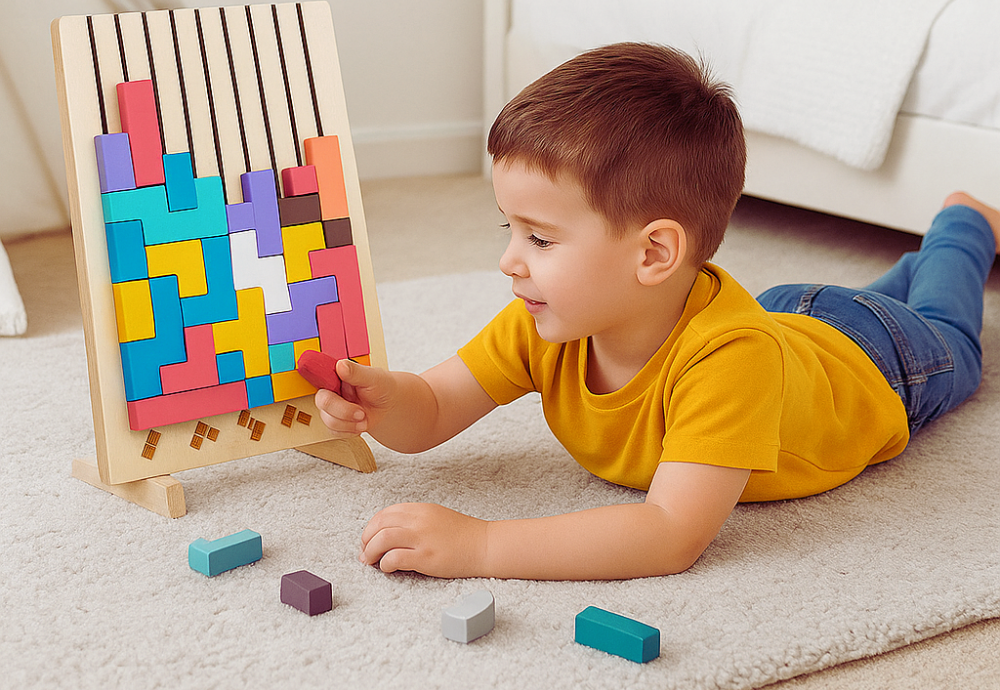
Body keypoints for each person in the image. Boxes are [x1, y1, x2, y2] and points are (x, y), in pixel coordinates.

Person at [314, 42, 999, 581]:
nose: (510, 262)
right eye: (510, 231)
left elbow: (671, 532)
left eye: (541, 238)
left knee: (956, 344)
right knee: (844, 311)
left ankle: (963, 226)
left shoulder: (732, 361)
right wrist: (381, 403)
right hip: (789, 321)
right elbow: (433, 407)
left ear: (653, 256)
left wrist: (482, 545)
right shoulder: (543, 320)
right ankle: (900, 275)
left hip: (876, 361)